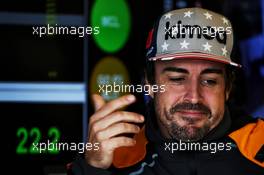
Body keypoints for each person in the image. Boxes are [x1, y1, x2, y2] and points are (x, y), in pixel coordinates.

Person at [69, 7, 264, 175]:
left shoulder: (260, 144)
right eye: (177, 79)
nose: (194, 96)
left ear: (227, 88)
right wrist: (92, 169)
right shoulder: (113, 158)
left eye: (209, 81)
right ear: (149, 84)